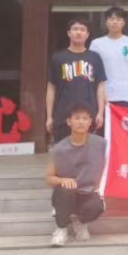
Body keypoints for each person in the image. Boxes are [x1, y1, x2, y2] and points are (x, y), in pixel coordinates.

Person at [45, 102, 107, 247]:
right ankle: (61, 229)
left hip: (88, 193)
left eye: (85, 118)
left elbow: (110, 166)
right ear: (69, 122)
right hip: (68, 193)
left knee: (98, 204)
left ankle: (81, 223)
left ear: (90, 122)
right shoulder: (59, 149)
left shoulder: (101, 144)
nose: (81, 122)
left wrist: (101, 187)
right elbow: (49, 178)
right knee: (64, 190)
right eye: (77, 118)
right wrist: (62, 180)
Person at [46, 19, 107, 147]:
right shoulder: (58, 58)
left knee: (86, 153)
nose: (78, 32)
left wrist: (100, 113)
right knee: (63, 153)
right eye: (75, 29)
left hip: (88, 115)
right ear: (69, 33)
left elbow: (100, 87)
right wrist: (49, 116)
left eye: (82, 30)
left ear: (87, 35)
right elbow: (51, 88)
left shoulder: (95, 58)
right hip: (62, 115)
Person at [90, 6, 128, 108]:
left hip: (126, 96)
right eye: (111, 19)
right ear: (106, 22)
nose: (114, 22)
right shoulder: (96, 44)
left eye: (118, 19)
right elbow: (93, 72)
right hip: (103, 96)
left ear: (124, 22)